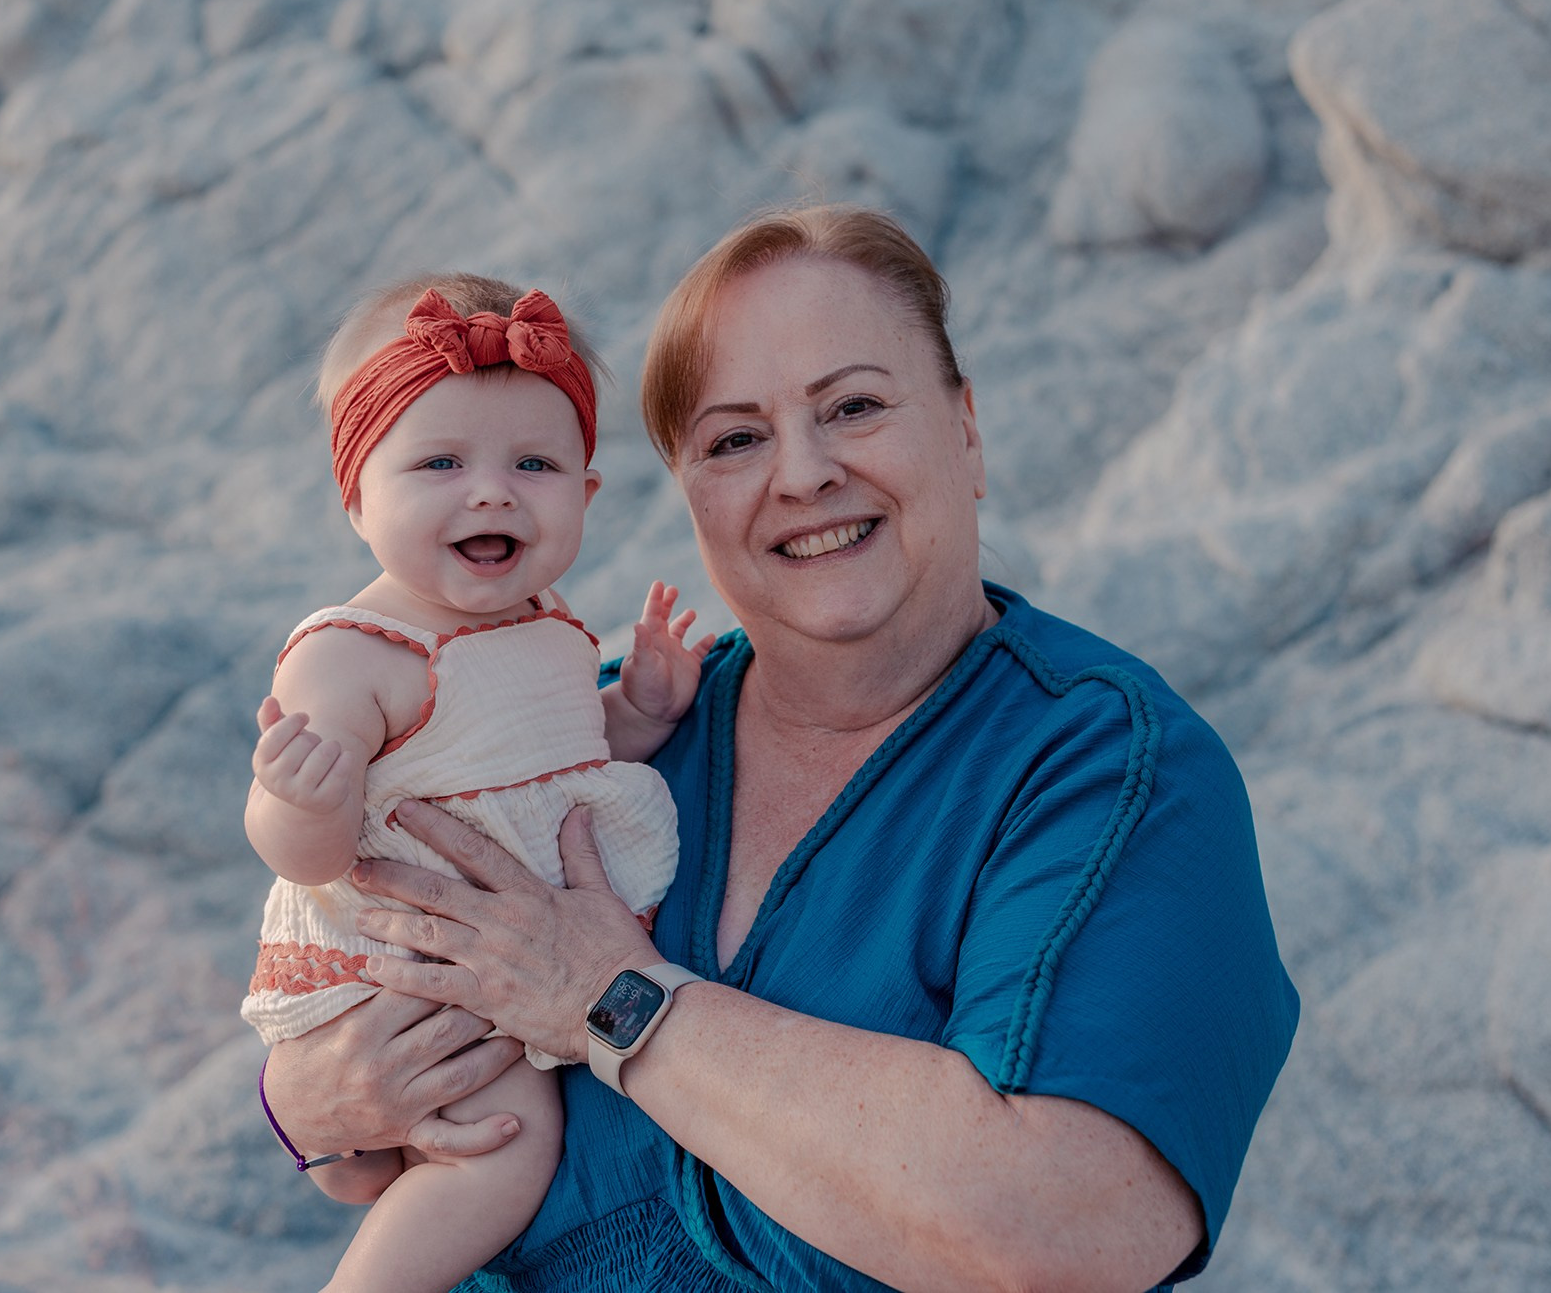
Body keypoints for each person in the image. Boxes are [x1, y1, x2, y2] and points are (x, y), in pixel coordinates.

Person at [257, 206, 1300, 1292]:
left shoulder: (1104, 770)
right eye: (734, 439)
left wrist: (614, 997)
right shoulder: (594, 741)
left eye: (852, 407)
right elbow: (363, 1061)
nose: (800, 476)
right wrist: (313, 1103)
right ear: (687, 492)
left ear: (967, 430)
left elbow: (1073, 1231)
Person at [240, 273, 715, 1293]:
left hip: (499, 956)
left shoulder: (544, 623)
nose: (490, 490)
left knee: (430, 1147)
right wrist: (300, 801)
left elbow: (569, 770)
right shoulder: (354, 651)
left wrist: (642, 709)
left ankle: (367, 1169)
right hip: (402, 961)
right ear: (356, 492)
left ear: (586, 494)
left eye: (533, 463)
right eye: (440, 461)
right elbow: (303, 855)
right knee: (504, 1140)